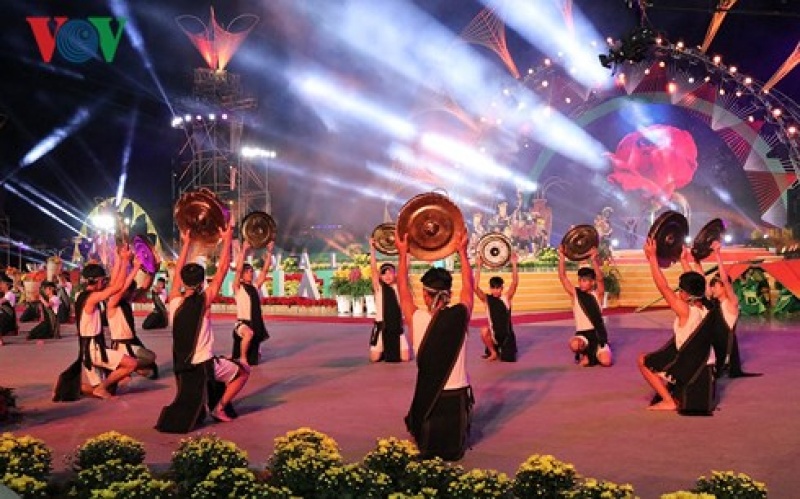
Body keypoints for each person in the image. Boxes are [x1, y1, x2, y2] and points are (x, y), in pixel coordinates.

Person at [396, 230, 474, 461]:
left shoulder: (417, 318)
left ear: (426, 295)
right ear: (449, 294)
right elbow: (469, 288)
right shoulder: (460, 315)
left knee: (421, 431)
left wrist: (403, 254)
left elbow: (402, 290)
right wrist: (462, 252)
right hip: (456, 398)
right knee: (452, 447)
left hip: (430, 399)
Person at [162, 222, 248, 426]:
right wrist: (227, 238)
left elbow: (177, 272)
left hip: (181, 365)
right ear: (202, 283)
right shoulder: (204, 301)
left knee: (223, 363)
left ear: (183, 281)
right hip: (203, 365)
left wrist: (186, 243)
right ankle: (219, 408)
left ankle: (211, 401)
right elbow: (223, 269)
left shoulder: (174, 300)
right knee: (243, 372)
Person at [638, 237, 725, 411]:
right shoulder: (708, 306)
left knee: (643, 360)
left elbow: (663, 287)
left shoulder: (686, 310)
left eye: (680, 290)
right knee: (669, 354)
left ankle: (668, 401)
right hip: (707, 371)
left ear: (685, 294)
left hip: (692, 369)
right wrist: (684, 260)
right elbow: (696, 282)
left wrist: (652, 258)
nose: (678, 293)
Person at [55, 247, 138, 400]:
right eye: (103, 280)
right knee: (131, 364)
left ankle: (70, 386)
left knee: (100, 389)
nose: (105, 283)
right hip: (93, 350)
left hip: (88, 349)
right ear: (98, 281)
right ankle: (101, 388)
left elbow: (114, 283)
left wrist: (119, 259)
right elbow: (118, 286)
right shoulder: (91, 298)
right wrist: (126, 260)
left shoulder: (82, 295)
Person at [705, 242, 762, 378]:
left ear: (724, 287)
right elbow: (702, 279)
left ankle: (724, 365)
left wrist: (717, 254)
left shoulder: (732, 302)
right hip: (715, 346)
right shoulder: (714, 303)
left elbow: (725, 280)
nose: (712, 289)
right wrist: (691, 261)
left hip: (725, 349)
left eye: (715, 286)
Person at [557, 246, 612, 367]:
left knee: (606, 362)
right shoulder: (575, 294)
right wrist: (561, 257)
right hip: (583, 335)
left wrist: (594, 259)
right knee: (574, 345)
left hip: (598, 334)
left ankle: (598, 351)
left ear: (592, 282)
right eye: (580, 280)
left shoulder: (598, 295)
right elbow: (562, 277)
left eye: (585, 281)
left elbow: (600, 279)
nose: (581, 283)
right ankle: (587, 353)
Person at [107, 258, 159, 381]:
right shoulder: (112, 303)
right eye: (131, 292)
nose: (133, 294)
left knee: (152, 372)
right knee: (150, 357)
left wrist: (152, 272)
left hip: (132, 340)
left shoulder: (127, 300)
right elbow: (122, 288)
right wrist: (135, 268)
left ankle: (126, 365)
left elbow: (145, 287)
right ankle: (123, 365)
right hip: (122, 344)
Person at [368, 237, 410, 362]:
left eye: (390, 272)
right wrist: (372, 249)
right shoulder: (378, 287)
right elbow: (373, 269)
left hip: (396, 327)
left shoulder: (399, 287)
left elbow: (406, 268)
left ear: (395, 274)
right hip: (382, 327)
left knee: (406, 358)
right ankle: (382, 349)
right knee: (374, 358)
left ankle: (388, 349)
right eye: (384, 273)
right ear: (380, 276)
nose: (387, 276)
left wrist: (406, 250)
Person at [232, 240, 273, 366]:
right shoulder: (238, 288)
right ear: (242, 275)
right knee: (249, 334)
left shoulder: (255, 287)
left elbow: (265, 271)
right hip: (242, 324)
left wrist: (270, 251)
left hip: (255, 323)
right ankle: (242, 358)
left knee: (255, 359)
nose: (250, 274)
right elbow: (238, 270)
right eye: (247, 272)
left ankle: (246, 355)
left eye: (251, 271)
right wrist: (244, 251)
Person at [473, 252, 519, 362]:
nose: (495, 290)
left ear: (502, 288)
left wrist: (514, 264)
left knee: (507, 359)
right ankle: (493, 352)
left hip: (507, 337)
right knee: (484, 330)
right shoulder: (486, 299)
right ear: (490, 288)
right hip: (494, 337)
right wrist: (478, 266)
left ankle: (504, 349)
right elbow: (475, 287)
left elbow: (514, 283)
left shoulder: (506, 298)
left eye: (498, 288)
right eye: (493, 288)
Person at [0, 274, 18, 341]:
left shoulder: (10, 294)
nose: (0, 286)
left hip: (8, 317)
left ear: (7, 285)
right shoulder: (4, 294)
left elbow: (1, 301)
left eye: (2, 284)